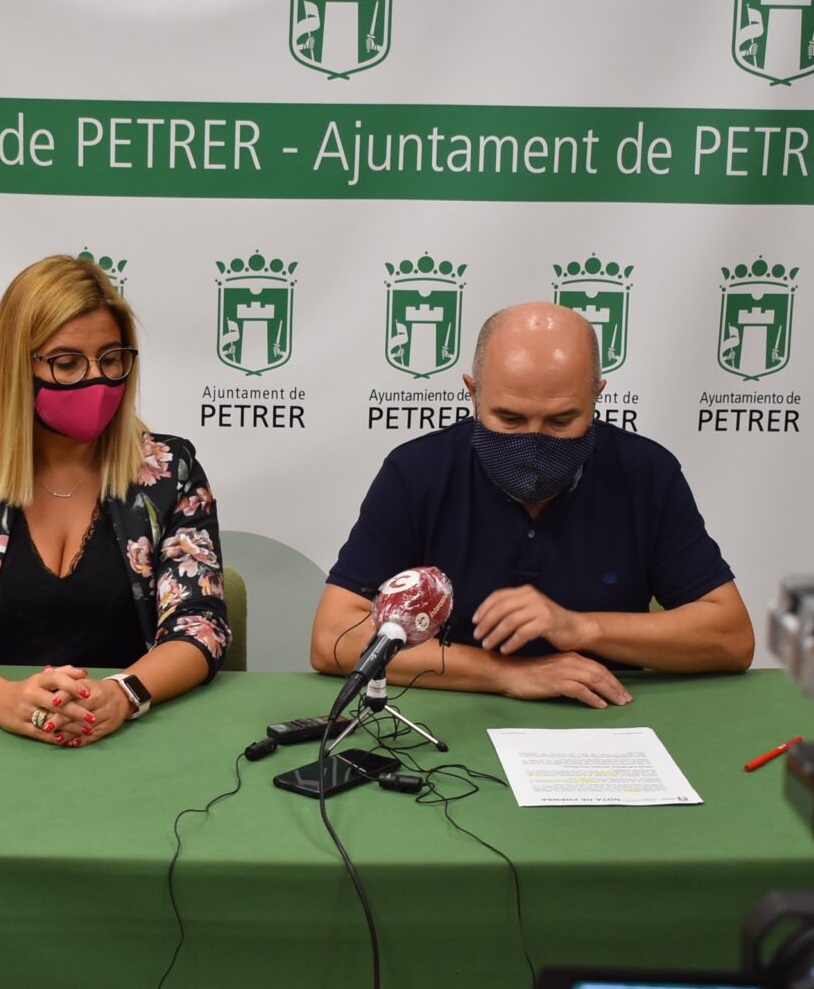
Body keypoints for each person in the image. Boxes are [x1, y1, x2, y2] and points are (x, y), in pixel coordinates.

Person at [310, 302, 753, 707]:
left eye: (561, 420)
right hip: (454, 716)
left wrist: (579, 628)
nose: (533, 445)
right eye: (510, 419)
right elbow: (333, 637)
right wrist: (505, 674)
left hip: (608, 717)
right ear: (473, 394)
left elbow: (731, 637)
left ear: (596, 397)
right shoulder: (417, 472)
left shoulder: (647, 473)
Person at [0, 255, 231, 747]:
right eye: (67, 363)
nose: (97, 380)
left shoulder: (167, 469)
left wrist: (124, 693)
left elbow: (200, 624)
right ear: (17, 366)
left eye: (111, 359)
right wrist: (2, 700)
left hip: (128, 739)